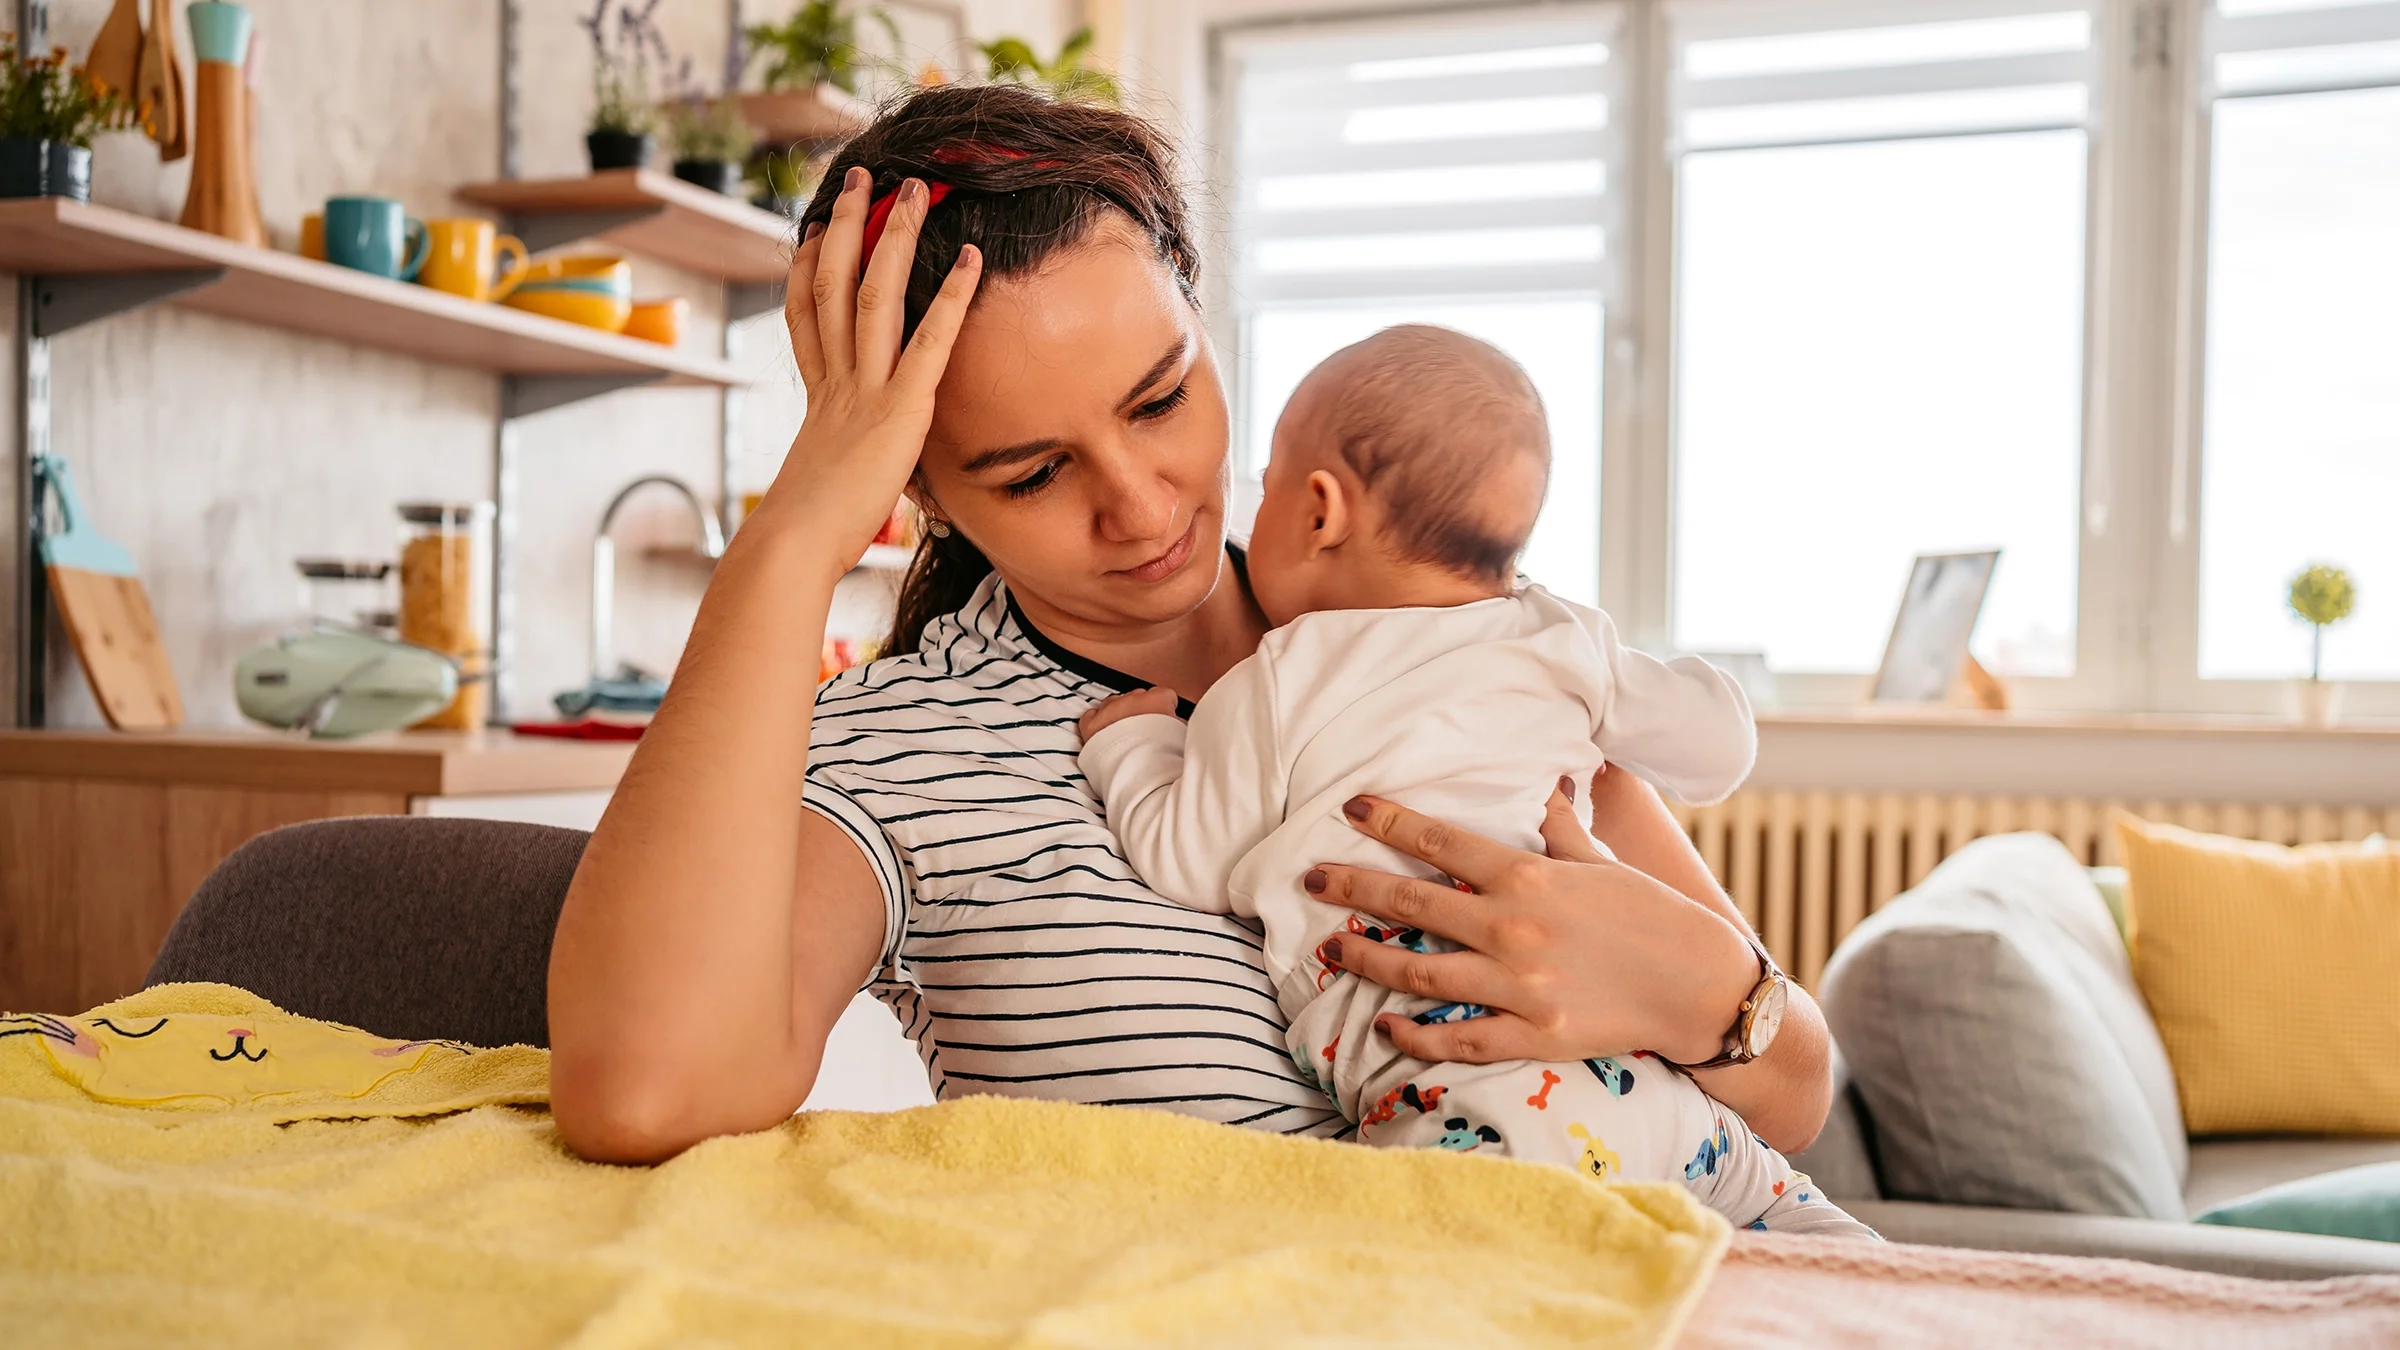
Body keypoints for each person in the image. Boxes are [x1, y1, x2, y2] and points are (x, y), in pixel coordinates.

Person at [544, 83, 1836, 1167]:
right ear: (919, 486)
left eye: (1161, 398)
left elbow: (1798, 1089)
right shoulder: (907, 747)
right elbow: (647, 1093)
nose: (1140, 504)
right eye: (1032, 472)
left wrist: (1707, 996)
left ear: (1204, 322)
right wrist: (795, 534)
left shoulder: (1428, 618)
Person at [1075, 325, 1871, 1236]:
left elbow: (1185, 856)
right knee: (1858, 1273)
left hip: (1483, 1098)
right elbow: (1720, 750)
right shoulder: (1558, 635)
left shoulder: (1277, 678)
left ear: (1321, 511)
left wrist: (1133, 746)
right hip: (1664, 1096)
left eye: (1270, 485)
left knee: (1453, 1278)